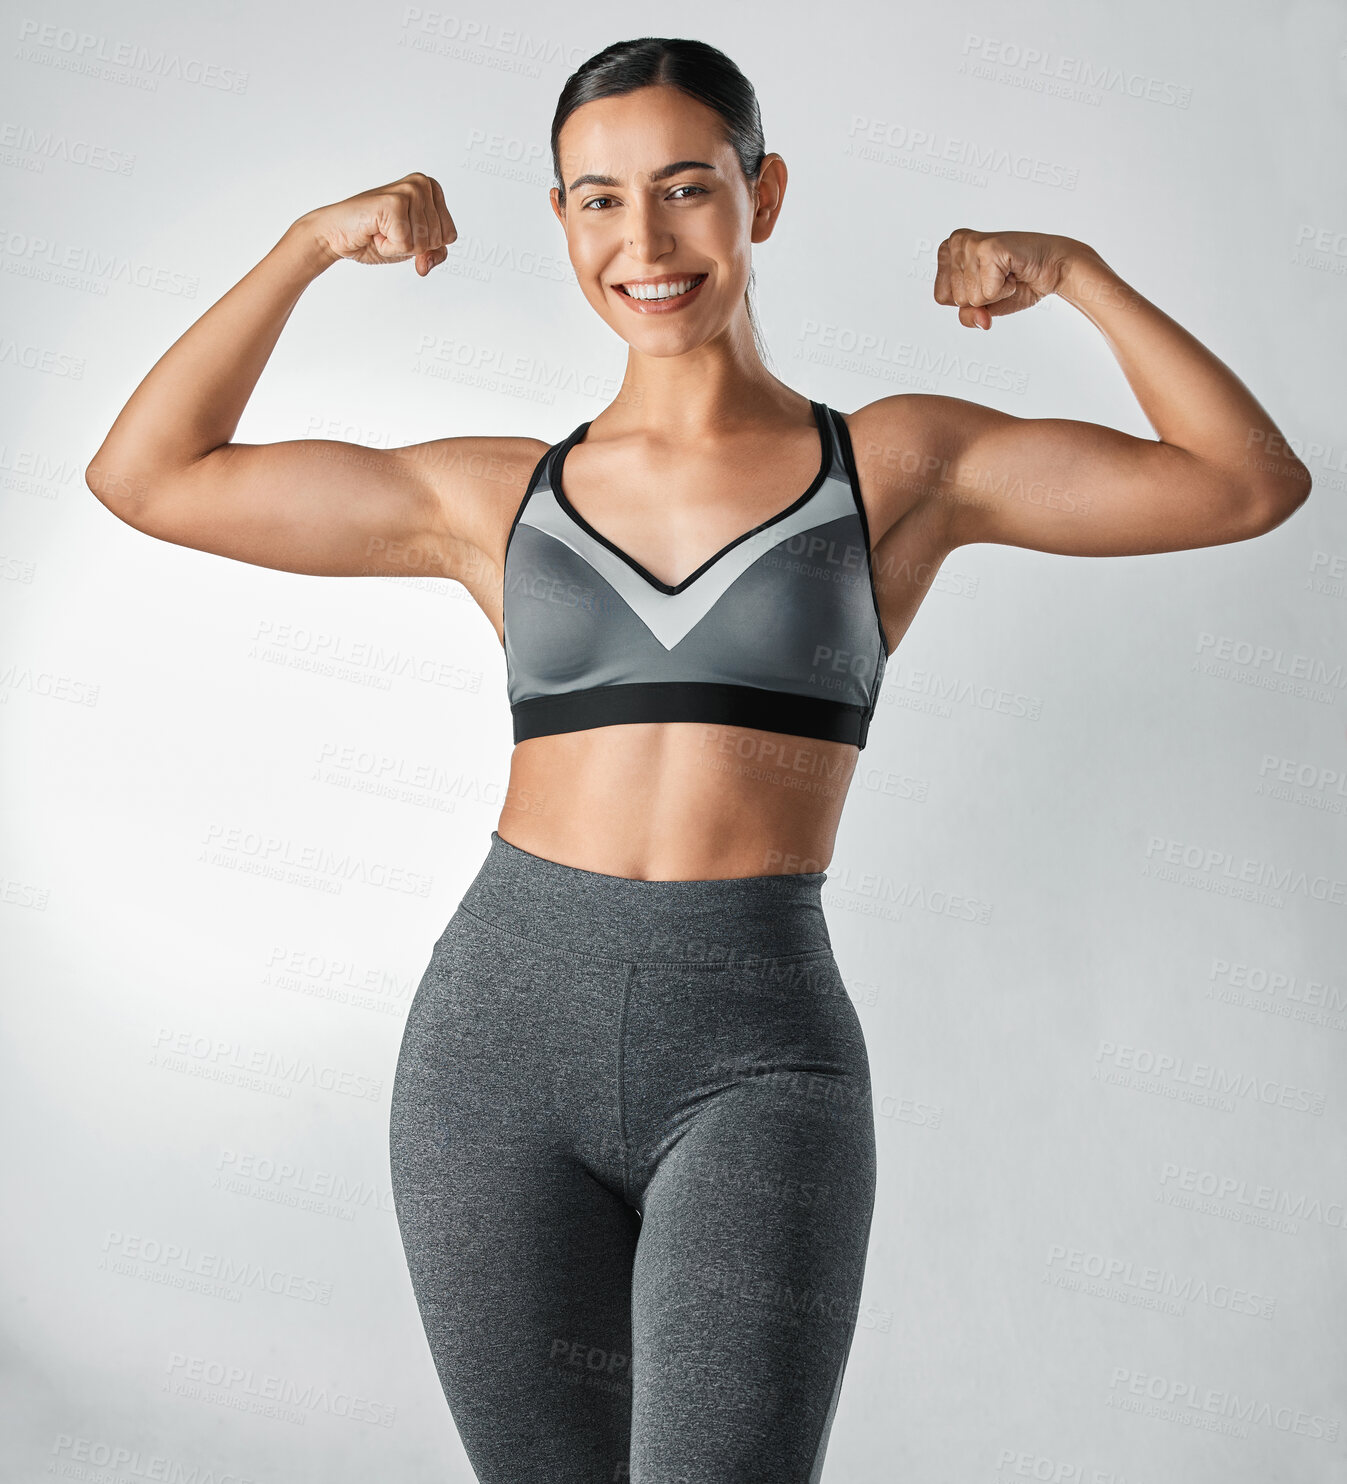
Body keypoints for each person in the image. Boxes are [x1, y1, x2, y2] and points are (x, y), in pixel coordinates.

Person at [85, 33, 1311, 1484]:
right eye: (599, 200)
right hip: (494, 1050)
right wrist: (303, 247)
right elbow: (147, 475)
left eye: (685, 189)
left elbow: (1245, 483)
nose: (645, 240)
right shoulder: (495, 499)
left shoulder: (896, 471)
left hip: (757, 1056)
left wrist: (1079, 278)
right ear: (560, 223)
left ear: (762, 197)